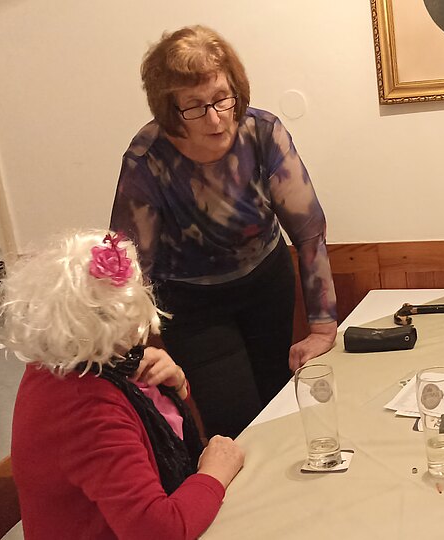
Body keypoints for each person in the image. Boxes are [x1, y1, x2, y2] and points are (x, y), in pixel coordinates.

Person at [110, 25, 338, 438]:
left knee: (279, 404)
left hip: (266, 283)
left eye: (221, 98)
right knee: (236, 422)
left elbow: (308, 231)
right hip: (193, 305)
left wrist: (322, 327)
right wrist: (131, 355)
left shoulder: (263, 133)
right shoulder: (147, 160)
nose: (215, 118)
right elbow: (129, 273)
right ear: (170, 110)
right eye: (194, 107)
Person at [0, 230, 245, 539]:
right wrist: (214, 474)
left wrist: (176, 385)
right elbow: (160, 532)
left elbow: (149, 429)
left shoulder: (71, 364)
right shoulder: (84, 407)